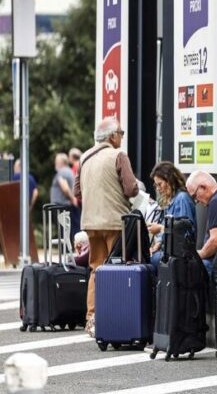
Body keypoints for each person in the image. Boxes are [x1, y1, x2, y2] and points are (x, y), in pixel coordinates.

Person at [74, 117, 139, 337]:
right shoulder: (118, 155)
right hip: (114, 222)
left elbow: (77, 193)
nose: (121, 136)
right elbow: (131, 189)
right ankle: (115, 315)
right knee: (118, 269)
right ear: (112, 136)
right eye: (120, 132)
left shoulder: (84, 157)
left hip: (90, 223)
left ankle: (91, 318)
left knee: (96, 269)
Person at [147, 161, 197, 268]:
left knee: (147, 260)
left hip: (178, 257)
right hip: (171, 253)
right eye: (155, 185)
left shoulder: (182, 198)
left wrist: (160, 228)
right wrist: (158, 244)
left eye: (159, 184)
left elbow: (184, 230)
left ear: (169, 181)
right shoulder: (173, 200)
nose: (158, 188)